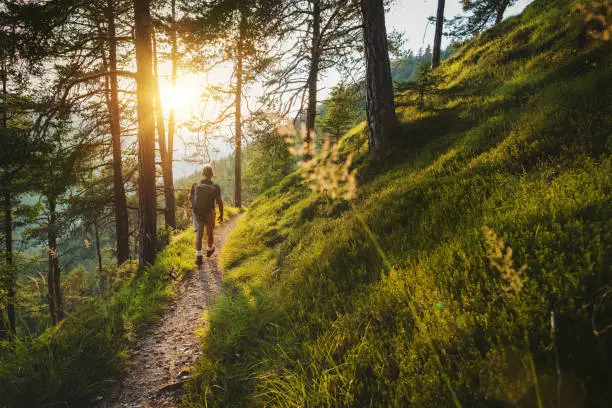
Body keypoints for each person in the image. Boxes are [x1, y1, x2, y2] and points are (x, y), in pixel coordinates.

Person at [189, 164, 223, 265]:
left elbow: (190, 198)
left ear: (203, 174)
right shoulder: (215, 186)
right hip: (209, 212)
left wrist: (195, 207)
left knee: (199, 233)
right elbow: (219, 201)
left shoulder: (195, 185)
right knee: (209, 231)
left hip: (198, 212)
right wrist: (221, 214)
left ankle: (198, 256)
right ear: (212, 175)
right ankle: (209, 249)